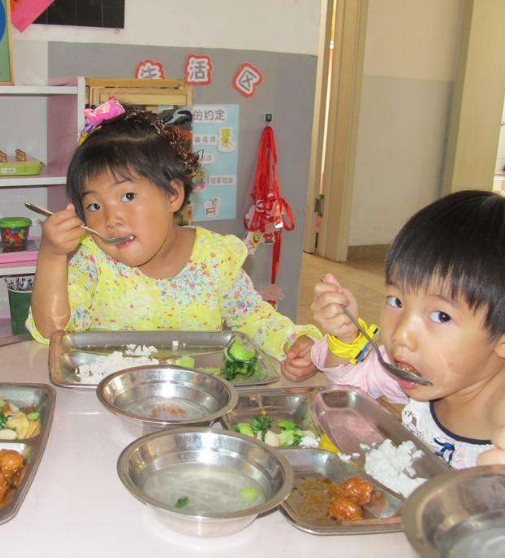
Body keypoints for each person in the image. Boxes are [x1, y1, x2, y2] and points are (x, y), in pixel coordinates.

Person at [27, 102, 321, 381]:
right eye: (93, 205)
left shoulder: (214, 259)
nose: (110, 219)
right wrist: (52, 255)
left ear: (172, 195)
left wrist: (296, 345)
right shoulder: (93, 259)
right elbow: (55, 332)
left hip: (193, 400)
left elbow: (256, 320)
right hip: (108, 399)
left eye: (128, 196)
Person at [311, 191, 505, 469]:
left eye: (441, 315)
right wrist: (345, 338)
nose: (401, 335)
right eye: (397, 301)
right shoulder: (423, 368)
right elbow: (351, 391)